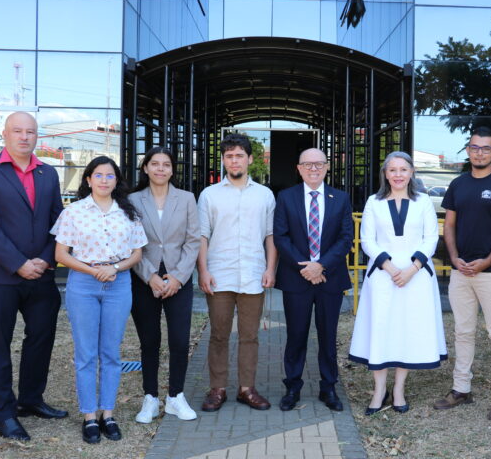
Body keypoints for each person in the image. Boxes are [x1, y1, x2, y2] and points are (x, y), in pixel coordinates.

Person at [0, 112, 67, 441]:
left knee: (40, 340)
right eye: (18, 131)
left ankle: (30, 400)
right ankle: (3, 413)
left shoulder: (49, 174)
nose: (24, 137)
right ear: (5, 134)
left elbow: (59, 222)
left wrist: (42, 259)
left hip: (41, 276)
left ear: (37, 136)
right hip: (0, 277)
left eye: (30, 132)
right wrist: (18, 263)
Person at [51, 156, 147, 444]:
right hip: (84, 283)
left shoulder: (128, 213)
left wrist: (114, 268)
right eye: (99, 175)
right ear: (88, 179)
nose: (104, 180)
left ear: (117, 181)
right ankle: (89, 415)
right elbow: (61, 255)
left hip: (118, 284)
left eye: (110, 175)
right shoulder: (74, 212)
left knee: (111, 353)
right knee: (86, 353)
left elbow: (137, 253)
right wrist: (94, 270)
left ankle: (108, 413)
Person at [433, 127, 491, 421]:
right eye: (475, 147)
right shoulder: (458, 184)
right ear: (468, 151)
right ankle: (461, 389)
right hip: (461, 272)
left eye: (486, 148)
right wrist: (455, 258)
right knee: (462, 331)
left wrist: (487, 261)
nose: (480, 152)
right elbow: (448, 226)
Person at [349, 151, 447, 415]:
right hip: (383, 276)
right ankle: (379, 390)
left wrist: (412, 269)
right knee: (381, 329)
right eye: (392, 170)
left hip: (415, 278)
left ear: (412, 172)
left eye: (403, 169)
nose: (398, 175)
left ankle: (399, 389)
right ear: (385, 174)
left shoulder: (424, 201)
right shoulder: (374, 202)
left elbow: (430, 239)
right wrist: (391, 268)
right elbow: (367, 240)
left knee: (406, 330)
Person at [197, 133, 277, 412]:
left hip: (254, 274)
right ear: (223, 160)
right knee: (218, 334)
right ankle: (217, 388)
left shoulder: (265, 195)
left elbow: (270, 236)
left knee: (250, 336)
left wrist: (270, 268)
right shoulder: (209, 195)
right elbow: (202, 237)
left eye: (239, 155)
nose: (234, 160)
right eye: (229, 156)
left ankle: (247, 389)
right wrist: (203, 271)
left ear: (250, 159)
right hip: (219, 274)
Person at [273, 148, 354, 412]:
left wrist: (321, 265)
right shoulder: (285, 198)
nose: (313, 168)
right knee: (296, 335)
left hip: (330, 278)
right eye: (307, 164)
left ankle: (328, 387)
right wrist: (306, 267)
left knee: (328, 336)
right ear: (298, 168)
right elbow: (281, 237)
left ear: (327, 167)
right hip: (297, 279)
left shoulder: (340, 198)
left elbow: (345, 238)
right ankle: (293, 387)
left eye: (319, 164)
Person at [129, 147, 201, 423]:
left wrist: (178, 277)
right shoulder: (133, 200)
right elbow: (132, 242)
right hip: (144, 278)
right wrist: (150, 276)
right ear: (145, 168)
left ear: (172, 170)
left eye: (166, 165)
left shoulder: (186, 199)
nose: (160, 169)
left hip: (177, 278)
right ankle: (150, 398)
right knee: (149, 341)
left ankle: (175, 397)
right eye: (155, 164)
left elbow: (193, 240)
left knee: (179, 340)